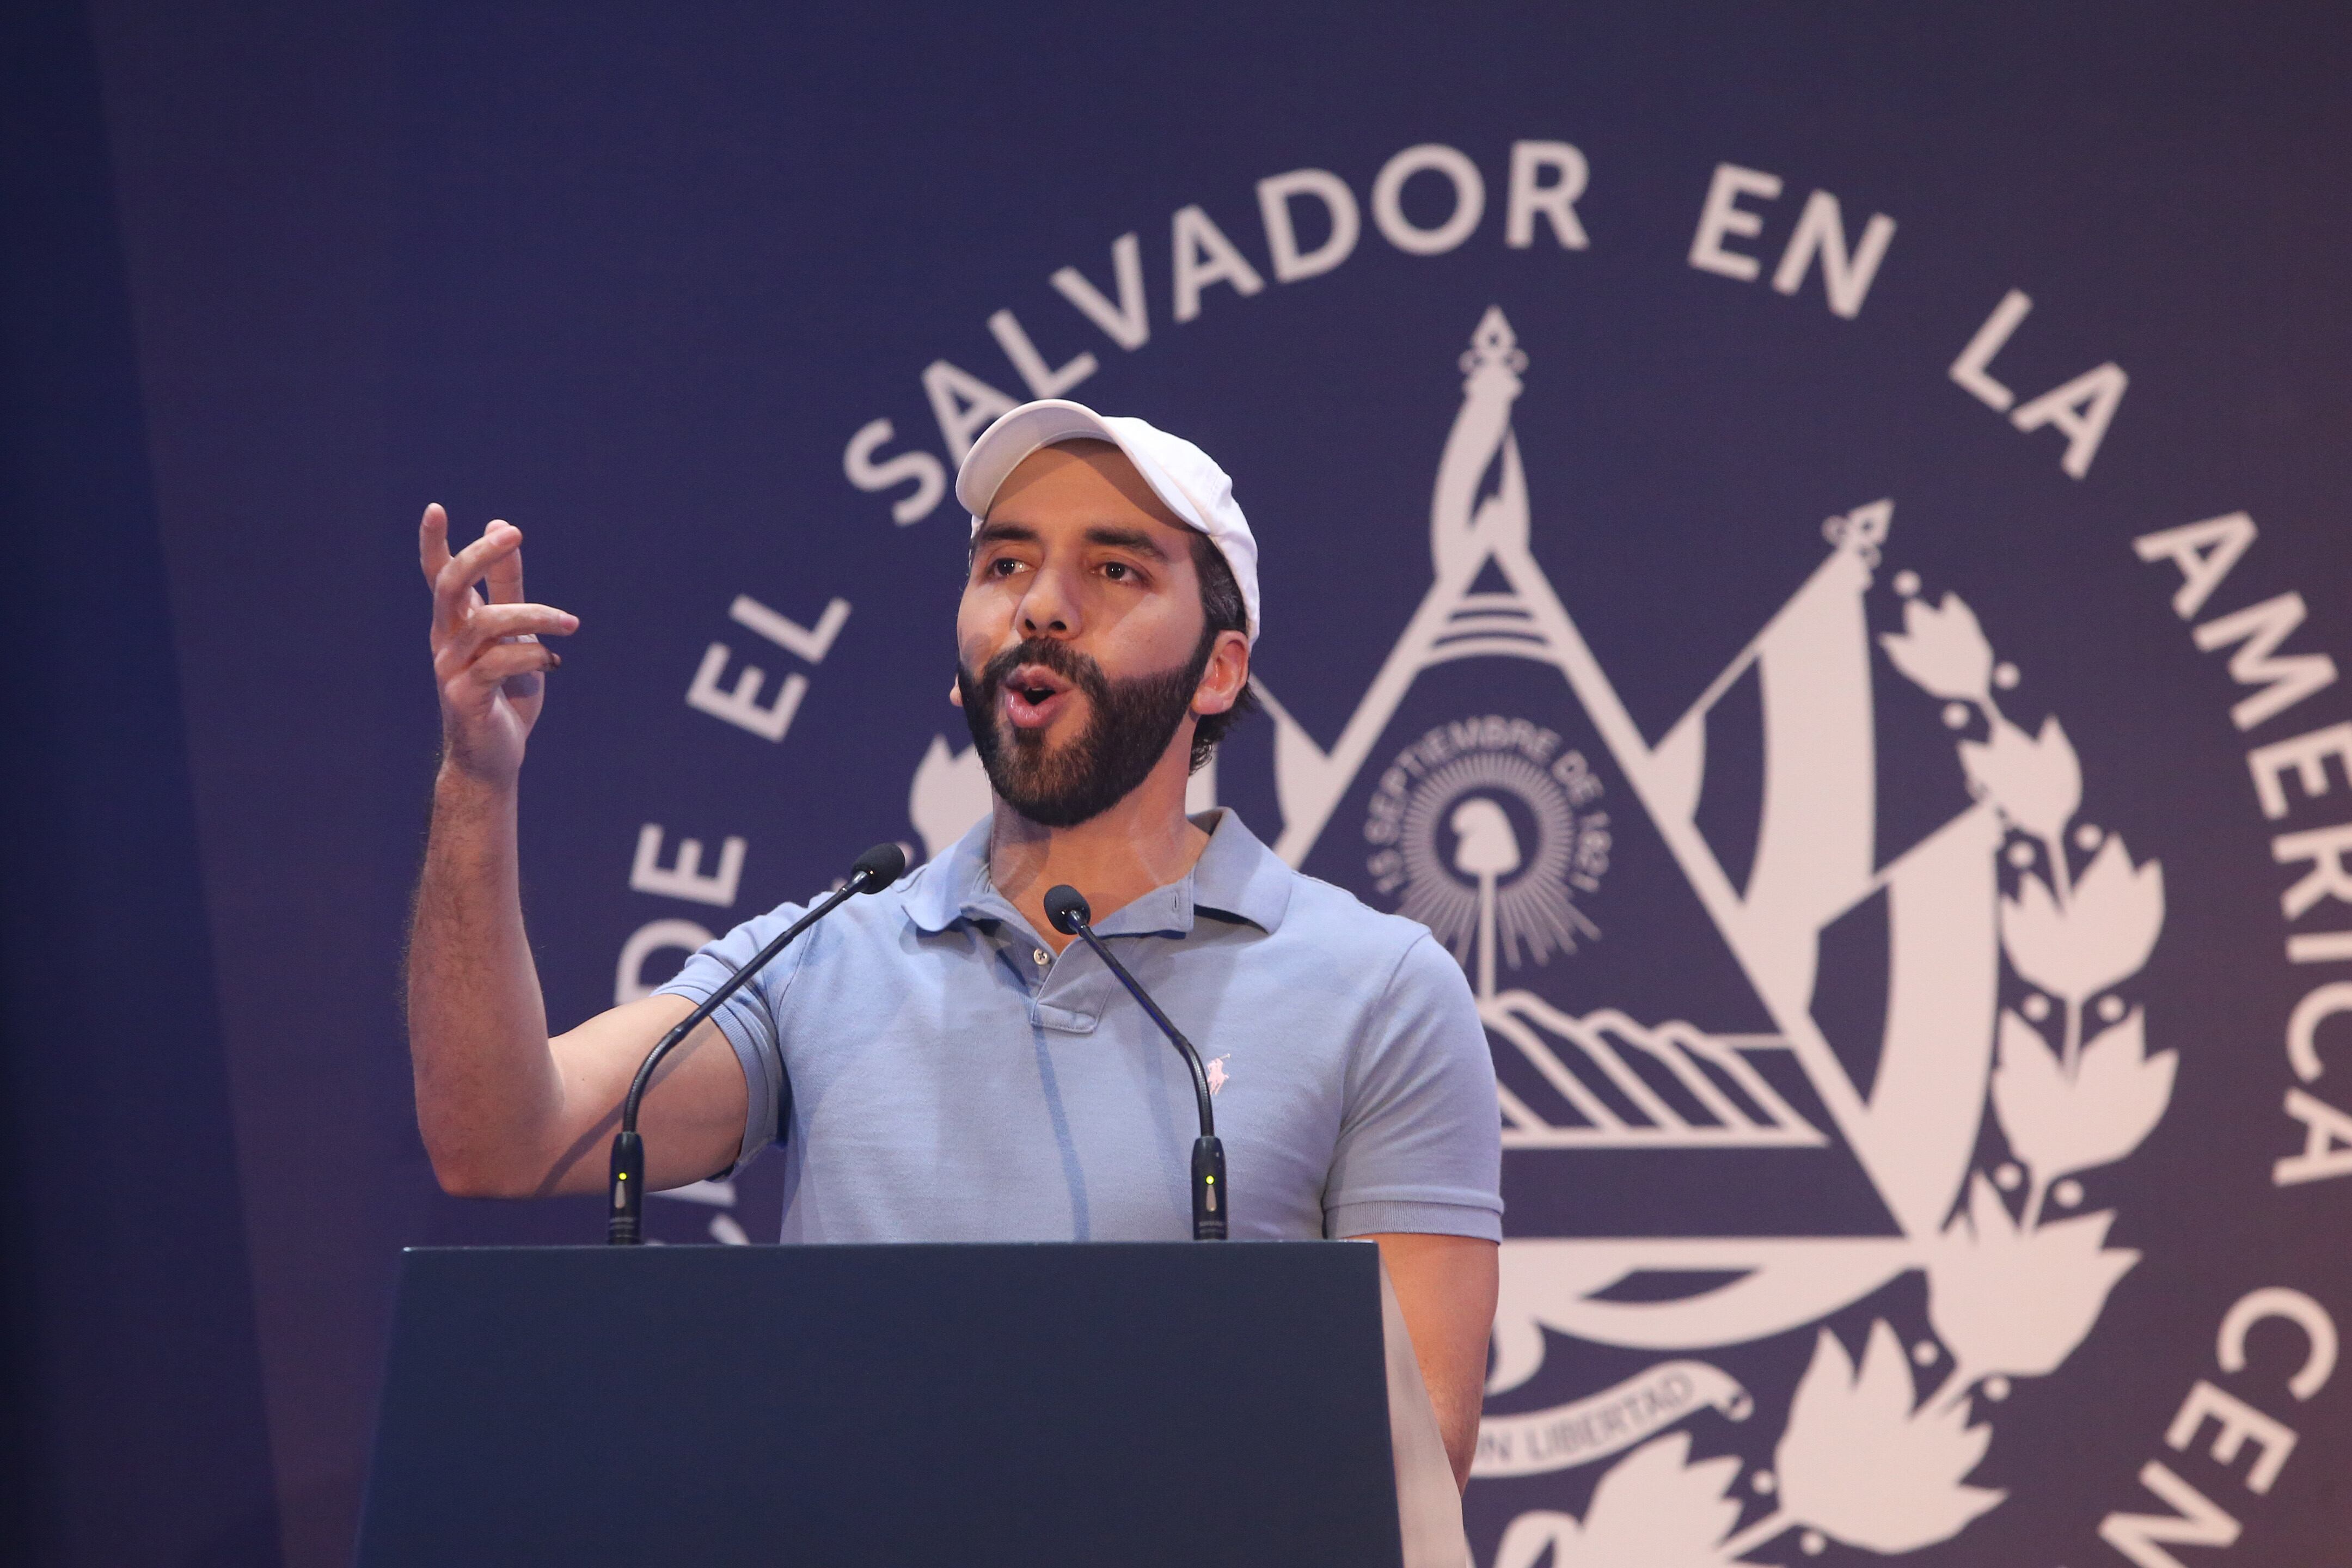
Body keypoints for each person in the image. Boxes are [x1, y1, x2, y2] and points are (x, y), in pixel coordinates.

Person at [406, 400, 1503, 1485]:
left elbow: (1416, 1464)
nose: (1043, 607)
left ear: (1218, 671)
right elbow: (499, 1137)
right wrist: (477, 781)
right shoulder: (822, 959)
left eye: (1115, 570)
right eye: (1006, 566)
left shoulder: (1380, 989)